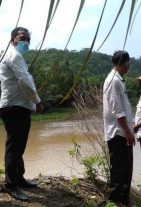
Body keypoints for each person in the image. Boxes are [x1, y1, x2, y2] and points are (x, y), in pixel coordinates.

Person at [0, 27, 43, 201]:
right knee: (15, 146)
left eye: (28, 39)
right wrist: (37, 101)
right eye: (22, 38)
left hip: (16, 105)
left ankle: (19, 178)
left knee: (18, 146)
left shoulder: (9, 55)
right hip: (15, 106)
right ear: (13, 39)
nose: (25, 42)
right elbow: (25, 81)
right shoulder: (14, 55)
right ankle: (11, 185)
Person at [102, 50, 135, 206]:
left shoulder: (118, 80)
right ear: (125, 64)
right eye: (128, 64)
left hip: (123, 133)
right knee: (119, 170)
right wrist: (128, 132)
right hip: (118, 133)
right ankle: (116, 201)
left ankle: (123, 200)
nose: (129, 67)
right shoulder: (113, 80)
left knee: (126, 168)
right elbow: (117, 110)